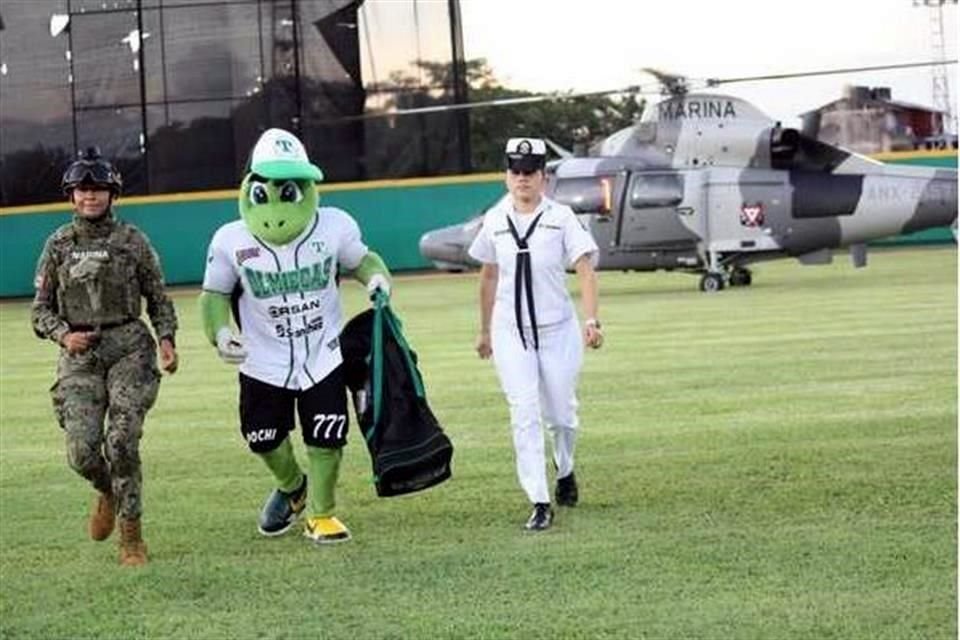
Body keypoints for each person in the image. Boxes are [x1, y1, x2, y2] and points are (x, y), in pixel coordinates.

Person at [199, 128, 391, 544]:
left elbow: (363, 260)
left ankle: (321, 514)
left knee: (327, 436)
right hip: (261, 358)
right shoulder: (229, 239)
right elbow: (213, 294)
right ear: (251, 184)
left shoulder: (334, 225)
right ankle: (292, 487)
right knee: (262, 438)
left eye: (291, 185)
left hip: (322, 351)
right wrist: (219, 333)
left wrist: (376, 278)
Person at [31, 147, 179, 566]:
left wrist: (166, 338)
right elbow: (40, 309)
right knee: (81, 452)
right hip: (80, 355)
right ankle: (107, 490)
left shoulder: (133, 241)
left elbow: (158, 297)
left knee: (122, 439)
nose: (90, 197)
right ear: (71, 196)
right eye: (82, 189)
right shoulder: (58, 245)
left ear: (113, 194)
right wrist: (63, 335)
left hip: (129, 345)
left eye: (98, 189)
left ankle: (131, 536)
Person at [468, 137, 603, 532]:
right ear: (506, 176)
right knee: (523, 413)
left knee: (561, 415)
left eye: (530, 172)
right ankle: (539, 500)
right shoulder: (494, 219)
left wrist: (591, 320)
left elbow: (585, 268)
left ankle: (565, 468)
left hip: (557, 329)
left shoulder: (561, 217)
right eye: (516, 172)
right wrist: (484, 331)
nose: (522, 179)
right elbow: (489, 274)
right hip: (511, 331)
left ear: (544, 177)